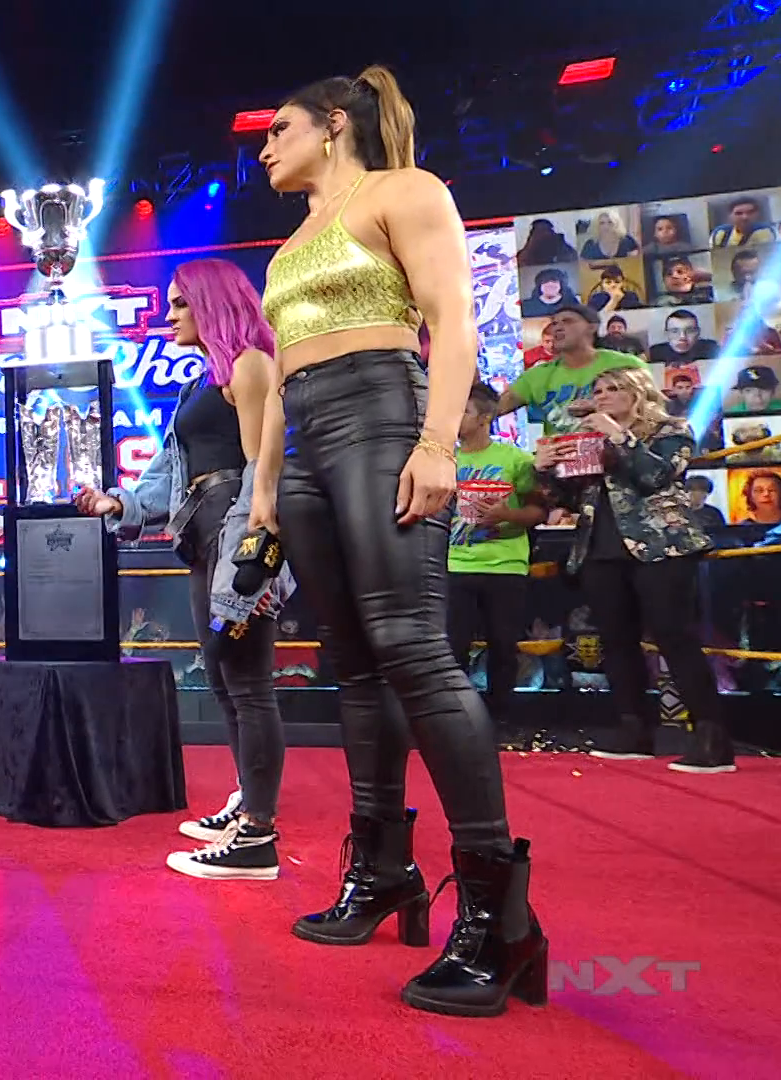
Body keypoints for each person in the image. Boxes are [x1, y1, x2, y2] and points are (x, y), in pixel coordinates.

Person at [249, 65, 544, 1017]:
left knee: (412, 647)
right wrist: (265, 488)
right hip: (307, 441)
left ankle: (499, 917)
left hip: (384, 413)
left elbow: (454, 322)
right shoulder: (289, 245)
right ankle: (380, 869)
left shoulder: (406, 190)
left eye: (280, 127)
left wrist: (437, 444)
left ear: (334, 123)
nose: (265, 145)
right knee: (352, 663)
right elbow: (282, 376)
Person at [75, 258, 292, 882]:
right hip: (203, 535)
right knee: (225, 681)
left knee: (248, 684)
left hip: (235, 536)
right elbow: (172, 472)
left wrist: (251, 558)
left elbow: (263, 470)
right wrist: (121, 504)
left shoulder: (251, 364)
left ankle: (257, 835)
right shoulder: (204, 380)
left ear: (212, 302)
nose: (167, 316)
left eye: (179, 303)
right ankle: (248, 805)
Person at [536, 366, 736, 773]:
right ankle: (634, 732)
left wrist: (617, 434)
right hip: (600, 548)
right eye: (598, 390)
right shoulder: (586, 439)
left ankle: (712, 740)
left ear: (638, 393)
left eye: (614, 388)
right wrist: (545, 467)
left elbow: (655, 476)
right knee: (616, 641)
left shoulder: (671, 430)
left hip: (662, 547)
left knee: (674, 636)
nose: (603, 395)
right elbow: (569, 497)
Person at [449, 383, 545, 723]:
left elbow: (539, 511)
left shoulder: (515, 459)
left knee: (503, 646)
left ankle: (500, 718)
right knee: (452, 648)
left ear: (485, 417)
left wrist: (506, 515)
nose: (454, 417)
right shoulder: (442, 459)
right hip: (453, 564)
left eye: (463, 411)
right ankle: (454, 720)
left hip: (505, 565)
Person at [496, 304, 645, 436]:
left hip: (621, 452)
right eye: (554, 323)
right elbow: (494, 410)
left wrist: (599, 406)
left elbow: (650, 410)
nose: (557, 328)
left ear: (592, 327)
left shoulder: (626, 364)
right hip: (560, 455)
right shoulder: (536, 376)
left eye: (567, 321)